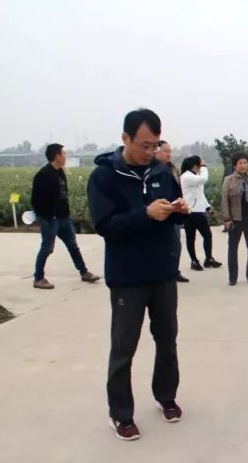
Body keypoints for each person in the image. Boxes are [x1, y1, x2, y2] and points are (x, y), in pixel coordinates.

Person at [87, 108, 189, 441]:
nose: (150, 152)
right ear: (125, 138)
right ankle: (120, 413)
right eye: (144, 145)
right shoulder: (104, 177)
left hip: (162, 273)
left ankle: (166, 396)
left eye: (155, 145)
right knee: (123, 349)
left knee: (167, 340)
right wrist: (145, 214)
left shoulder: (160, 171)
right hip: (128, 278)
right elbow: (105, 225)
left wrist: (178, 212)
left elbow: (170, 213)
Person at [30, 143, 100, 289]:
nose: (65, 157)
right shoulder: (43, 175)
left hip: (64, 218)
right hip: (50, 219)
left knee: (73, 246)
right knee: (47, 248)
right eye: (64, 154)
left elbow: (62, 195)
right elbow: (35, 201)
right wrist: (46, 216)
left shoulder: (60, 172)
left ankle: (84, 272)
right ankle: (38, 278)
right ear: (57, 156)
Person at [221, 152, 248, 285]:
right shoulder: (228, 180)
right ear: (235, 165)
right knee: (232, 249)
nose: (243, 165)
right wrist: (226, 219)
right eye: (240, 163)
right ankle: (233, 278)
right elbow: (224, 201)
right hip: (235, 219)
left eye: (245, 162)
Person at [155, 141, 189, 283]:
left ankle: (174, 271)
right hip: (158, 213)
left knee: (176, 245)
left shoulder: (173, 168)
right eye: (165, 151)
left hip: (173, 211)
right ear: (156, 151)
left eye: (170, 151)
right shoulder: (151, 170)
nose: (169, 154)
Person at [180, 155, 222, 271]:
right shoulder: (186, 177)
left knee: (207, 235)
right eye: (199, 165)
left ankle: (209, 259)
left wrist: (207, 207)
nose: (200, 168)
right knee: (191, 238)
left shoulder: (195, 176)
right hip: (190, 212)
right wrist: (204, 167)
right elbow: (204, 179)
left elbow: (200, 194)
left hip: (199, 212)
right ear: (194, 165)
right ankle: (194, 261)